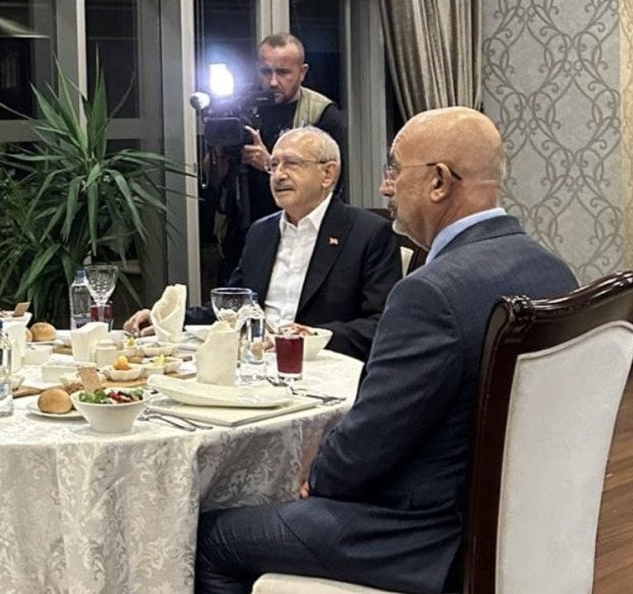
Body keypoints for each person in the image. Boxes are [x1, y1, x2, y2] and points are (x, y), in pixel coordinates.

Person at [194, 107, 578, 593]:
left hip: (421, 535)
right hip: (522, 522)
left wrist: (318, 476)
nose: (385, 188)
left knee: (212, 537)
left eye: (394, 170)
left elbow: (365, 449)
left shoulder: (430, 294)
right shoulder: (553, 271)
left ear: (438, 182)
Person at [126, 126, 398, 361]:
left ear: (328, 173)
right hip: (253, 362)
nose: (278, 175)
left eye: (291, 164)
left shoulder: (367, 233)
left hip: (319, 366)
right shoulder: (261, 232)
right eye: (273, 165)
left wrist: (313, 337)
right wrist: (168, 319)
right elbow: (233, 305)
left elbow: (382, 324)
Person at [211, 32, 349, 283]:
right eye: (266, 72)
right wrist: (220, 154)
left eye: (283, 72)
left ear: (302, 72)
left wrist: (269, 164)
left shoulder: (321, 113)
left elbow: (332, 184)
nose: (273, 82)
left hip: (297, 231)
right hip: (239, 226)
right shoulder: (240, 106)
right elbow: (214, 182)